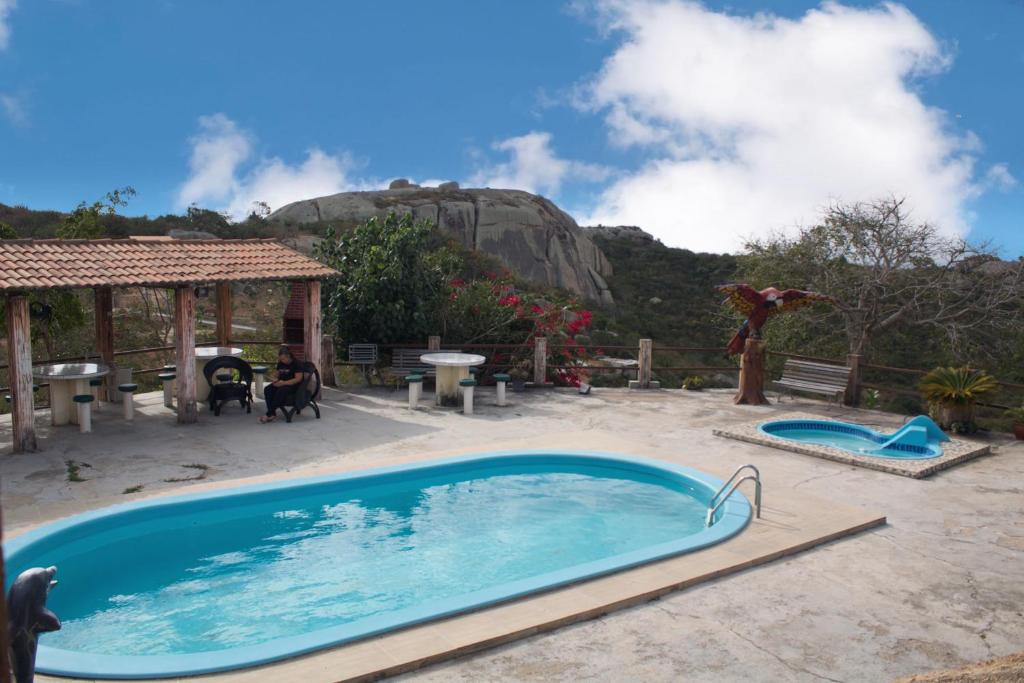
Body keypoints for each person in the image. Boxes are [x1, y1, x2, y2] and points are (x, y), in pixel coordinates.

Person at [259, 346, 305, 423]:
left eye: (283, 359)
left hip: (293, 385)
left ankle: (269, 413)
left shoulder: (297, 364)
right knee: (268, 389)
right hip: (282, 382)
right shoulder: (281, 363)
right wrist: (274, 379)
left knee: (280, 392)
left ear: (289, 356)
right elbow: (277, 374)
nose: (282, 361)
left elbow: (298, 379)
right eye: (280, 359)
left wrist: (283, 383)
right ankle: (272, 413)